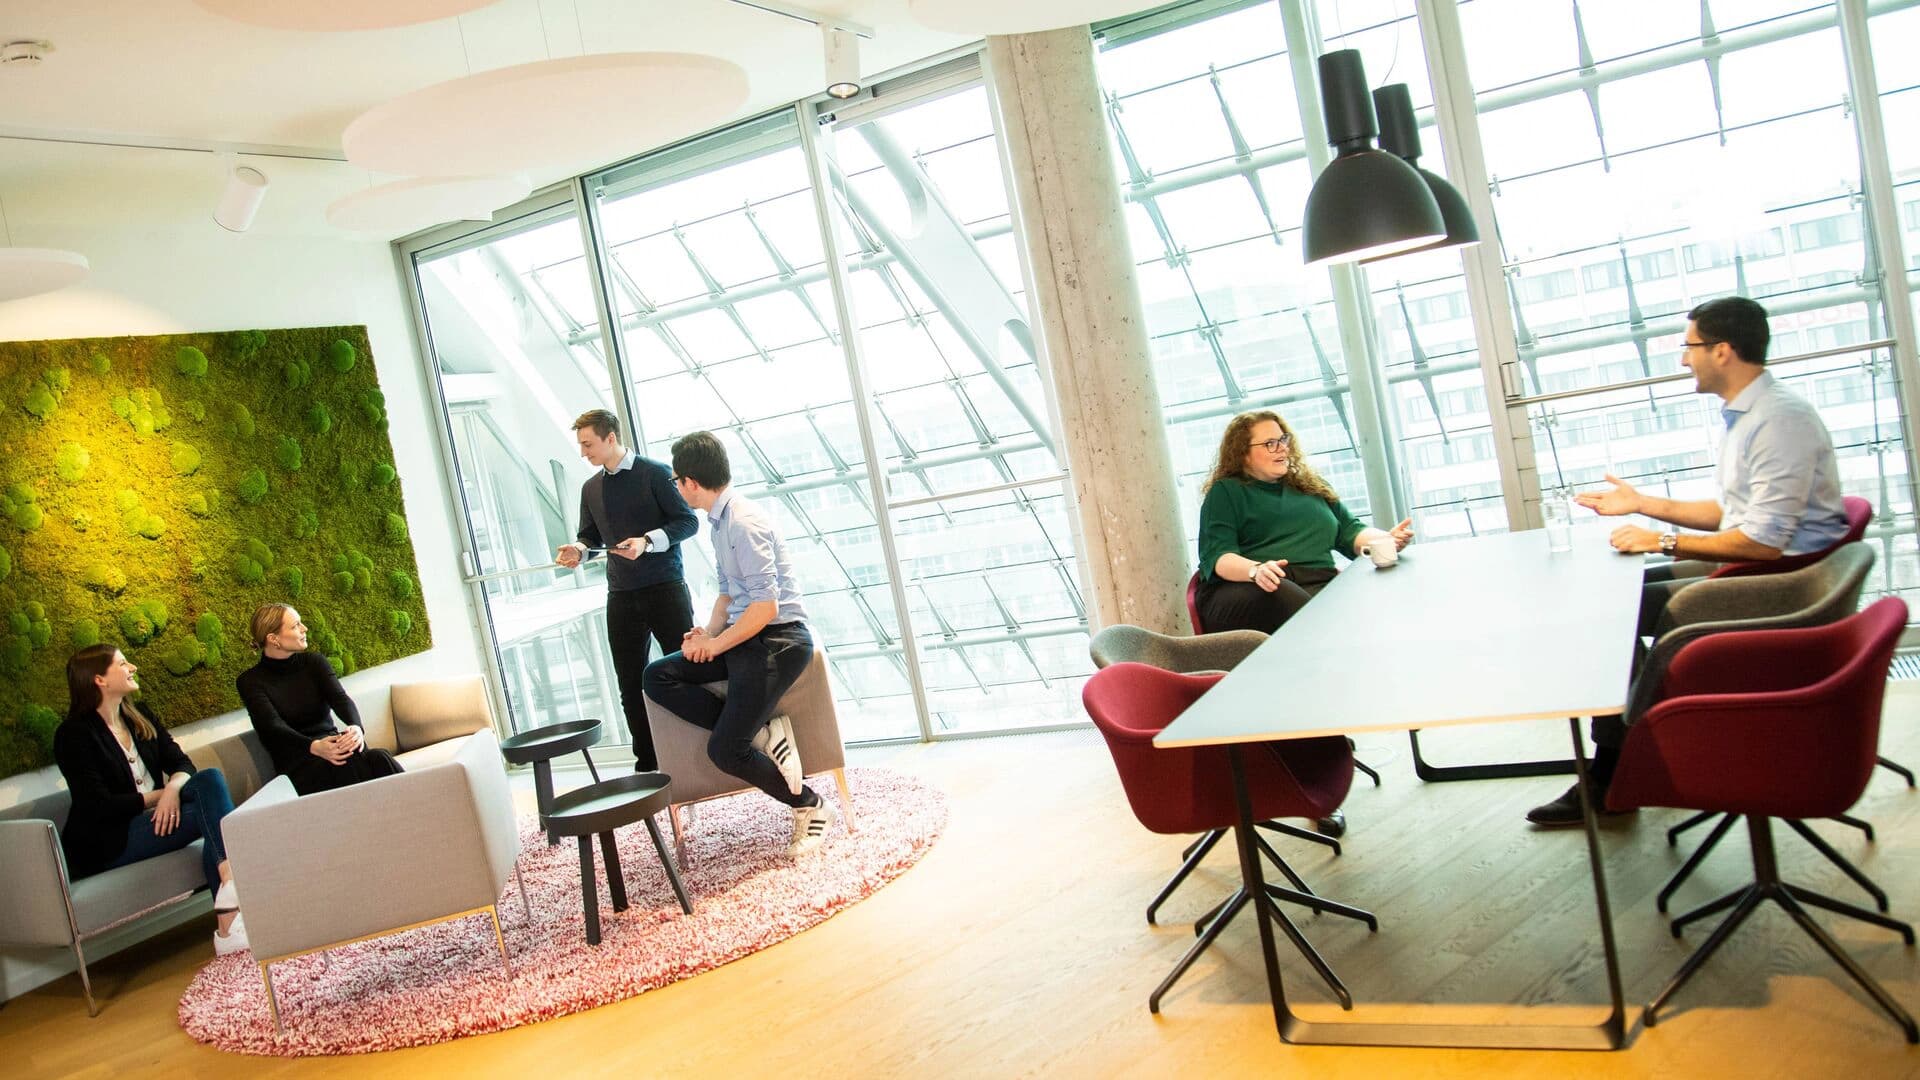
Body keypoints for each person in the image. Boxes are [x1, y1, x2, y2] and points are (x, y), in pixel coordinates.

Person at [1526, 295, 1849, 825]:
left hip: (1782, 582)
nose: (1683, 360)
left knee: (1619, 616)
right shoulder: (1749, 416)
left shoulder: (1778, 421)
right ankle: (1622, 762)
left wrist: (1661, 541)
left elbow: (1761, 543)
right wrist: (1643, 505)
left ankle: (1614, 775)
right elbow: (1733, 515)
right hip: (1761, 566)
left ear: (1722, 351)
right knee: (1616, 603)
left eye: (1690, 346)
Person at [641, 431, 829, 857]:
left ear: (690, 481)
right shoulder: (719, 522)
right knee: (658, 676)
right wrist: (707, 634)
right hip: (747, 636)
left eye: (675, 481)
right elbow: (729, 594)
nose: (675, 487)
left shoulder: (743, 523)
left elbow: (765, 608)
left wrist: (718, 646)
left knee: (725, 750)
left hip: (777, 640)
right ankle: (763, 734)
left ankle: (811, 806)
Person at [54, 645, 247, 955]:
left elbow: (182, 765)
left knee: (209, 780)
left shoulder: (140, 716)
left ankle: (229, 890)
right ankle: (230, 915)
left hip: (153, 820)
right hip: (108, 839)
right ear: (99, 679)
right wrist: (160, 795)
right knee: (209, 816)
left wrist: (172, 790)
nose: (132, 667)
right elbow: (99, 805)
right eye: (122, 663)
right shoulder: (73, 734)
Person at [555, 408, 699, 772]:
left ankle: (698, 751)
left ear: (610, 438)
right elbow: (589, 536)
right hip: (621, 595)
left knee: (687, 669)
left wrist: (647, 542)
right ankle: (648, 766)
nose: (584, 452)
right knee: (629, 684)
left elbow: (687, 521)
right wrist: (578, 550)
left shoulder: (656, 474)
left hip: (665, 587)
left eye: (588, 444)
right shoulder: (590, 488)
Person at [1196, 409, 1414, 635]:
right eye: (1270, 443)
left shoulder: (1310, 486)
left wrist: (1386, 540)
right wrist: (1256, 570)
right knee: (1287, 595)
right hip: (1255, 587)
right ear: (1243, 453)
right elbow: (1219, 557)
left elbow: (1350, 531)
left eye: (1283, 439)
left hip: (1317, 582)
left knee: (1383, 590)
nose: (1282, 447)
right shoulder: (1226, 492)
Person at [237, 603, 403, 796]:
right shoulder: (250, 681)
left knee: (379, 758)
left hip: (333, 747)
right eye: (295, 625)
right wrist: (313, 746)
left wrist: (356, 726)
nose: (304, 629)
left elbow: (340, 699)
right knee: (351, 762)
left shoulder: (314, 663)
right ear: (273, 639)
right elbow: (272, 727)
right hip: (300, 761)